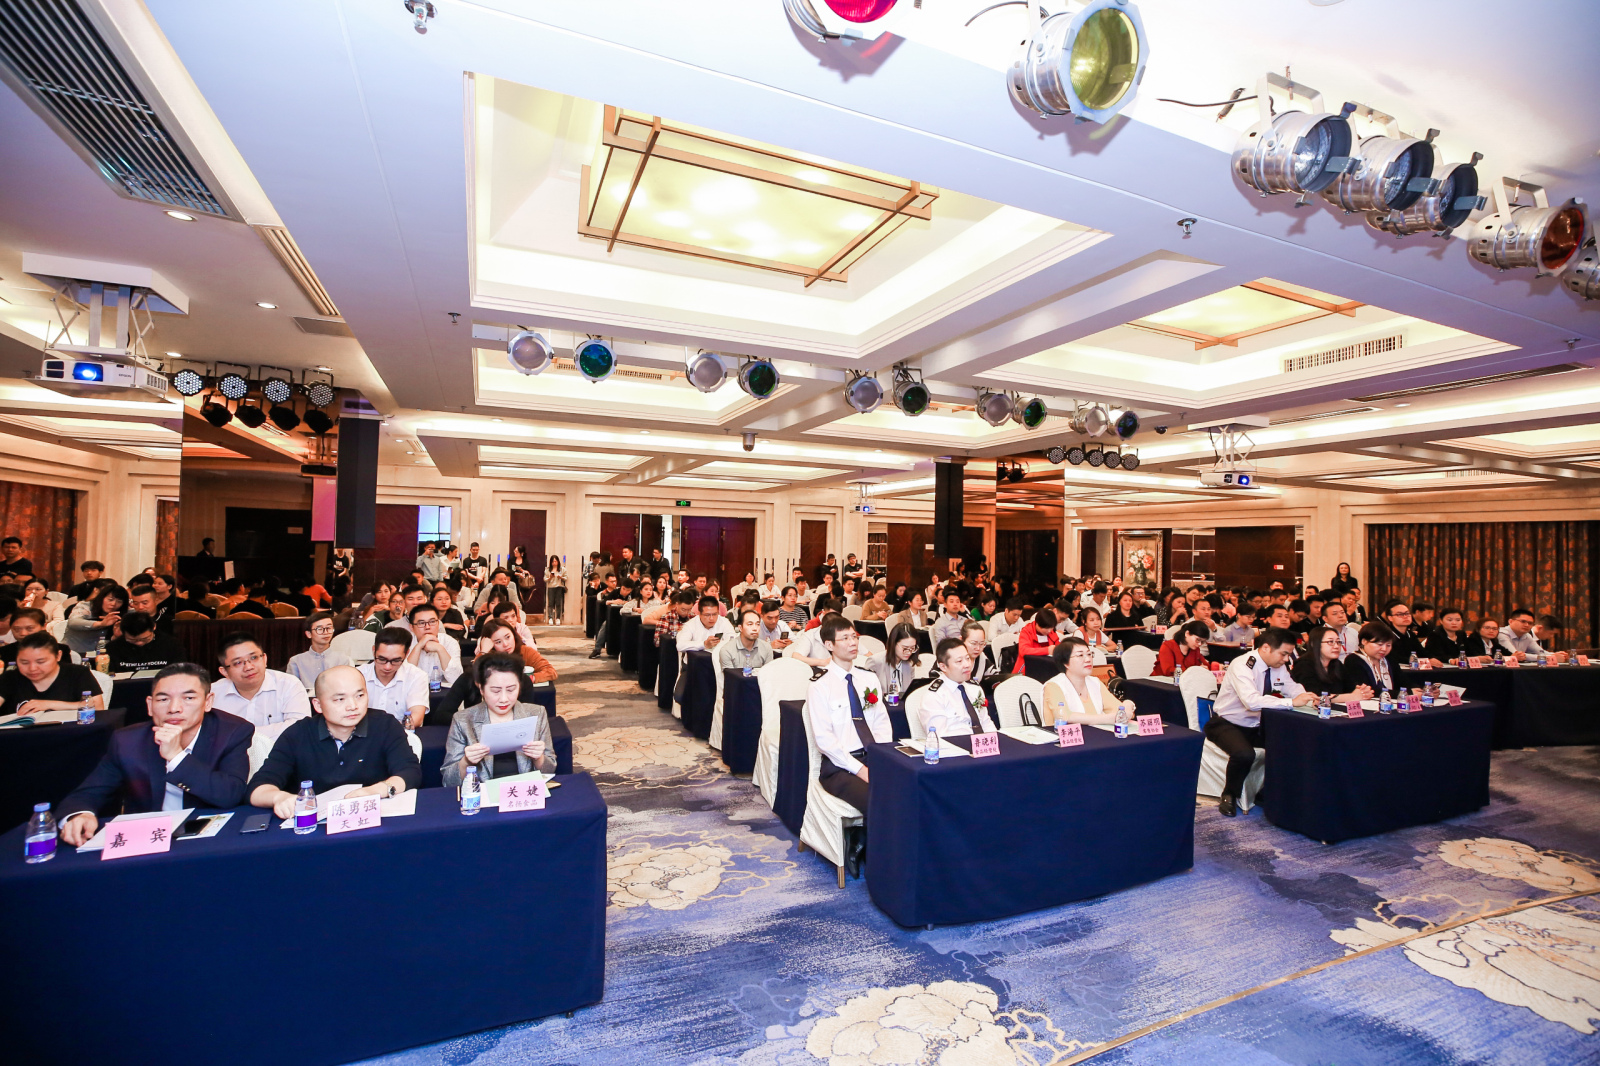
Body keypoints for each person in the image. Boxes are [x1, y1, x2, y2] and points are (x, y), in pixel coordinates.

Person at [55, 663, 255, 845]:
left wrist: (176, 757)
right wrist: (79, 815)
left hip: (211, 837)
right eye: (163, 699)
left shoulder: (232, 732)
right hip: (147, 840)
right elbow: (88, 793)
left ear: (208, 701)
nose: (174, 708)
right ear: (150, 705)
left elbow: (230, 794)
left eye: (188, 698)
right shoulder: (127, 741)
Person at [248, 665, 421, 814]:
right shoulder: (298, 734)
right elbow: (257, 788)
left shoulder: (384, 725)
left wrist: (378, 790)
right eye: (340, 699)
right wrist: (280, 798)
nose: (353, 706)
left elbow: (410, 772)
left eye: (360, 696)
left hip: (371, 818)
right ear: (318, 705)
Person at [807, 616, 890, 878]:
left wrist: (882, 759)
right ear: (829, 645)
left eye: (854, 636)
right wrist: (860, 769)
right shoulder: (820, 686)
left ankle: (864, 837)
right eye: (845, 638)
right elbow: (825, 741)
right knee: (878, 797)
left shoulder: (868, 678)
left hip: (872, 757)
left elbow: (881, 723)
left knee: (906, 787)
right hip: (839, 767)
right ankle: (875, 862)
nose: (853, 642)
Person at [1207, 629, 1317, 817]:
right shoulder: (1242, 665)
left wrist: (1306, 697)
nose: (1286, 659)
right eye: (1283, 654)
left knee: (1292, 746)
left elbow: (1291, 687)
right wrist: (1291, 702)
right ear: (1266, 648)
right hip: (1226, 723)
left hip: (1256, 725)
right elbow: (1251, 701)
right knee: (1244, 754)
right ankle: (1229, 794)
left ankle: (1268, 792)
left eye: (1289, 654)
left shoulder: (1278, 666)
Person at [440, 652, 555, 786]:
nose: (504, 699)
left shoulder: (536, 714)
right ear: (481, 688)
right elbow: (448, 780)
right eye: (495, 691)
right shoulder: (463, 720)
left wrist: (539, 758)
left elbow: (550, 769)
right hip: (483, 794)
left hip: (524, 791)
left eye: (511, 690)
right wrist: (466, 761)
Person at [208, 634, 312, 731]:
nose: (249, 667)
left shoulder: (289, 685)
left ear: (265, 659)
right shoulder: (212, 693)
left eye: (254, 658)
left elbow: (300, 728)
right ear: (224, 671)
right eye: (238, 662)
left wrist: (241, 736)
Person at [0, 631, 103, 714]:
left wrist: (49, 704)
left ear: (58, 656)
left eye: (41, 662)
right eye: (24, 662)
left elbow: (97, 707)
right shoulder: (10, 677)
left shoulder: (77, 673)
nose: (32, 668)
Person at [1042, 637, 1136, 726]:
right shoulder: (1053, 685)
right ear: (1065, 663)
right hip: (1064, 736)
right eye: (1080, 655)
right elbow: (1066, 716)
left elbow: (1119, 711)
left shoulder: (1095, 682)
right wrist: (1109, 718)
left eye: (1089, 654)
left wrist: (1128, 704)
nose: (1088, 659)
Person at [919, 637, 996, 738]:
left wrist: (994, 740)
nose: (967, 665)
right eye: (959, 661)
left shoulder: (975, 688)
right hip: (955, 745)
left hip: (981, 744)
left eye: (967, 658)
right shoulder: (934, 696)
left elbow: (986, 722)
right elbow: (939, 736)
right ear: (943, 667)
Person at [361, 627, 429, 728]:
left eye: (396, 660)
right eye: (382, 659)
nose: (387, 667)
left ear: (406, 654)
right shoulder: (358, 675)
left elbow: (417, 717)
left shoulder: (417, 676)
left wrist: (391, 732)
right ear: (374, 650)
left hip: (400, 733)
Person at [1291, 625, 1373, 704]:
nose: (1336, 646)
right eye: (1330, 642)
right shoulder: (1303, 665)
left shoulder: (1336, 664)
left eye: (1338, 642)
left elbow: (1350, 688)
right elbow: (1316, 697)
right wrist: (1351, 697)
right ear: (1314, 644)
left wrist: (1362, 691)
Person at [475, 618, 557, 681]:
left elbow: (551, 672)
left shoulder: (526, 651)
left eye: (508, 637)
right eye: (498, 642)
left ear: (513, 634)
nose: (505, 644)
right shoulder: (488, 655)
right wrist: (483, 652)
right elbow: (474, 678)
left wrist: (529, 679)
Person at [286, 611, 352, 690]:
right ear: (309, 634)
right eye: (319, 629)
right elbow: (291, 690)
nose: (325, 632)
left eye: (329, 628)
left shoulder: (343, 660)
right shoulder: (296, 661)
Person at [105, 611, 187, 673]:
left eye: (145, 639)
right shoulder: (113, 648)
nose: (139, 643)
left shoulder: (171, 645)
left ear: (154, 627)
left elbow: (181, 672)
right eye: (132, 640)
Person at [406, 604, 463, 687]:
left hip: (443, 692)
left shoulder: (449, 642)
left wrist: (440, 649)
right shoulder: (405, 643)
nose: (427, 627)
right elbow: (405, 678)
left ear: (438, 623)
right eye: (421, 623)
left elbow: (456, 679)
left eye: (432, 622)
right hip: (413, 691)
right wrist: (418, 646)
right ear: (411, 627)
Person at [64, 583, 126, 656]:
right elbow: (73, 622)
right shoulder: (86, 606)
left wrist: (115, 637)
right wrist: (100, 624)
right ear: (101, 598)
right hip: (73, 652)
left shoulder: (120, 615)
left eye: (119, 601)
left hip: (103, 655)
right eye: (110, 600)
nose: (113, 604)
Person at [1343, 622, 1401, 697]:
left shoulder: (1389, 659)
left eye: (1388, 645)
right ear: (1364, 641)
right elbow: (1368, 691)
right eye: (1380, 644)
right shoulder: (1353, 660)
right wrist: (1401, 694)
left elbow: (1403, 682)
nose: (1384, 649)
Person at [0, 608, 71, 667]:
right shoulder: (5, 652)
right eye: (17, 629)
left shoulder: (60, 649)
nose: (23, 633)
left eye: (29, 628)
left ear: (44, 626)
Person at [1378, 600, 1435, 668]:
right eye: (1400, 614)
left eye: (1407, 613)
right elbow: (1393, 657)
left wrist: (1431, 659)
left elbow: (1422, 652)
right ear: (1390, 618)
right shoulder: (1386, 635)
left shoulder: (1410, 634)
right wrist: (1418, 661)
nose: (1405, 616)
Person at [871, 623, 920, 698]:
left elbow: (909, 694)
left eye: (912, 648)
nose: (909, 652)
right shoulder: (875, 661)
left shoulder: (909, 664)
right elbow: (866, 692)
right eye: (905, 648)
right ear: (893, 643)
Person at [717, 608, 771, 673]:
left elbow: (768, 675)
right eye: (750, 624)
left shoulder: (766, 647)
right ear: (740, 628)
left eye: (757, 624)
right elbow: (730, 677)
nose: (755, 628)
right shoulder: (727, 651)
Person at [1013, 607, 1060, 672]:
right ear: (1037, 624)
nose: (1049, 631)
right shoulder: (1027, 631)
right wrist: (1047, 650)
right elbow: (1023, 651)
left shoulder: (1051, 632)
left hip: (1046, 667)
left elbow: (1058, 646)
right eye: (1046, 628)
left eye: (1051, 628)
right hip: (1027, 667)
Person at [961, 619, 999, 685]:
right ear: (961, 640)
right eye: (973, 643)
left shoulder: (981, 657)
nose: (978, 648)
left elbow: (995, 675)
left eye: (981, 644)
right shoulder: (952, 659)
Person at [544, 554, 567, 624]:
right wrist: (550, 577)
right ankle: (550, 617)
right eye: (553, 561)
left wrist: (561, 577)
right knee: (550, 603)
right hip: (551, 587)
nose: (554, 563)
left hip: (559, 587)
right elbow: (545, 579)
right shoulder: (548, 570)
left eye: (555, 561)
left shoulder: (562, 569)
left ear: (558, 561)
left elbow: (566, 577)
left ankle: (558, 618)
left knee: (558, 603)